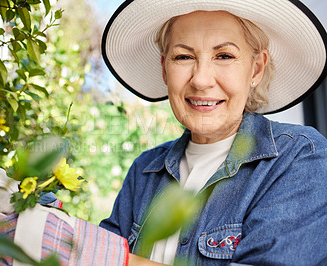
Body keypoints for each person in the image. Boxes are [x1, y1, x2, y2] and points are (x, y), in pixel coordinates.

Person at [99, 0, 327, 265]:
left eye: (224, 56)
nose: (201, 79)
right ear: (164, 68)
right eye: (183, 56)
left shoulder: (301, 158)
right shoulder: (144, 171)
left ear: (256, 68)